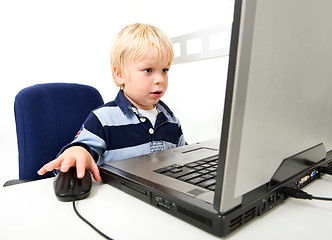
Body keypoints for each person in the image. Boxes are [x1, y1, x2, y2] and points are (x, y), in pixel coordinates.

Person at [38, 23, 185, 181]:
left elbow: (183, 159)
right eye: (148, 70)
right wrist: (78, 151)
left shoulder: (171, 120)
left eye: (165, 70)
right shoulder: (103, 119)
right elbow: (82, 149)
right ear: (119, 74)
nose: (159, 80)